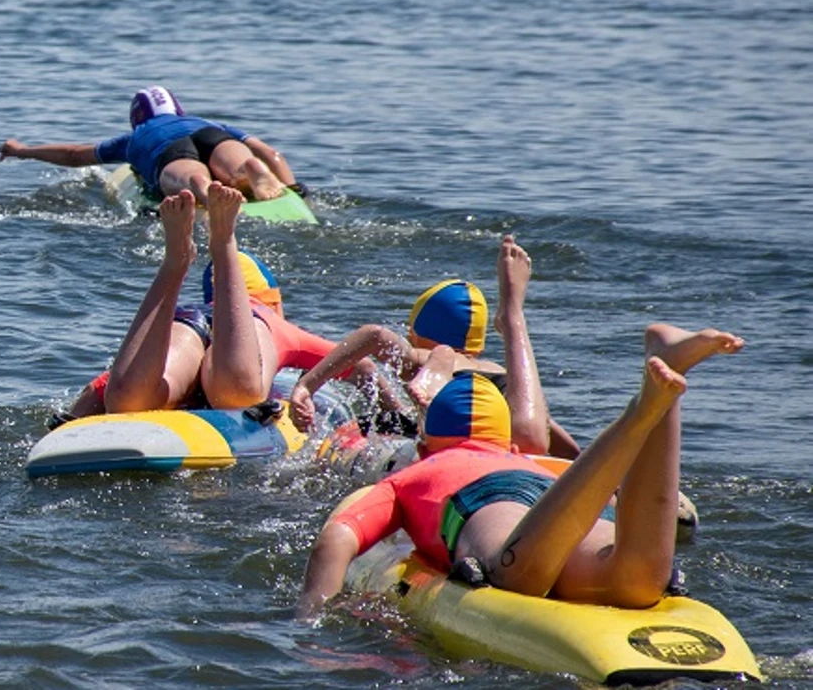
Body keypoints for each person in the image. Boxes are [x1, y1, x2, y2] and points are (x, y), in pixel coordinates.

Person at [294, 323, 743, 618]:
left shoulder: (414, 472)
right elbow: (618, 499)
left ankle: (643, 410)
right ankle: (665, 390)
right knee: (639, 580)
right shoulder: (526, 456)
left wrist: (316, 620)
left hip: (492, 502)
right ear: (507, 441)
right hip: (550, 485)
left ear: (423, 444)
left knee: (516, 575)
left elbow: (338, 537)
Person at [288, 236, 580, 458]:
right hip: (502, 396)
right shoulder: (495, 368)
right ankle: (513, 319)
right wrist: (580, 462)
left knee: (441, 357)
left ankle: (432, 381)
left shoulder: (425, 356)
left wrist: (307, 386)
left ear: (416, 330)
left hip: (443, 384)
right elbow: (550, 428)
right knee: (532, 437)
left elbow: (374, 335)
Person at [67, 182, 328, 418]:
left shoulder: (205, 310)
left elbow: (98, 387)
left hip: (189, 320)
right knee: (237, 394)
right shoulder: (278, 323)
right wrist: (307, 388)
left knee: (127, 401)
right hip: (252, 322)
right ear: (274, 302)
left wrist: (71, 422)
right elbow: (361, 363)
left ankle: (176, 262)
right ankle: (224, 243)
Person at [0, 86, 300, 203]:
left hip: (167, 151)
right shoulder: (203, 121)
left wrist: (21, 150)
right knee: (242, 160)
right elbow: (270, 151)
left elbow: (75, 154)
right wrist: (296, 192)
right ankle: (249, 172)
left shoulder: (136, 138)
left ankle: (201, 187)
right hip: (215, 138)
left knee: (189, 175)